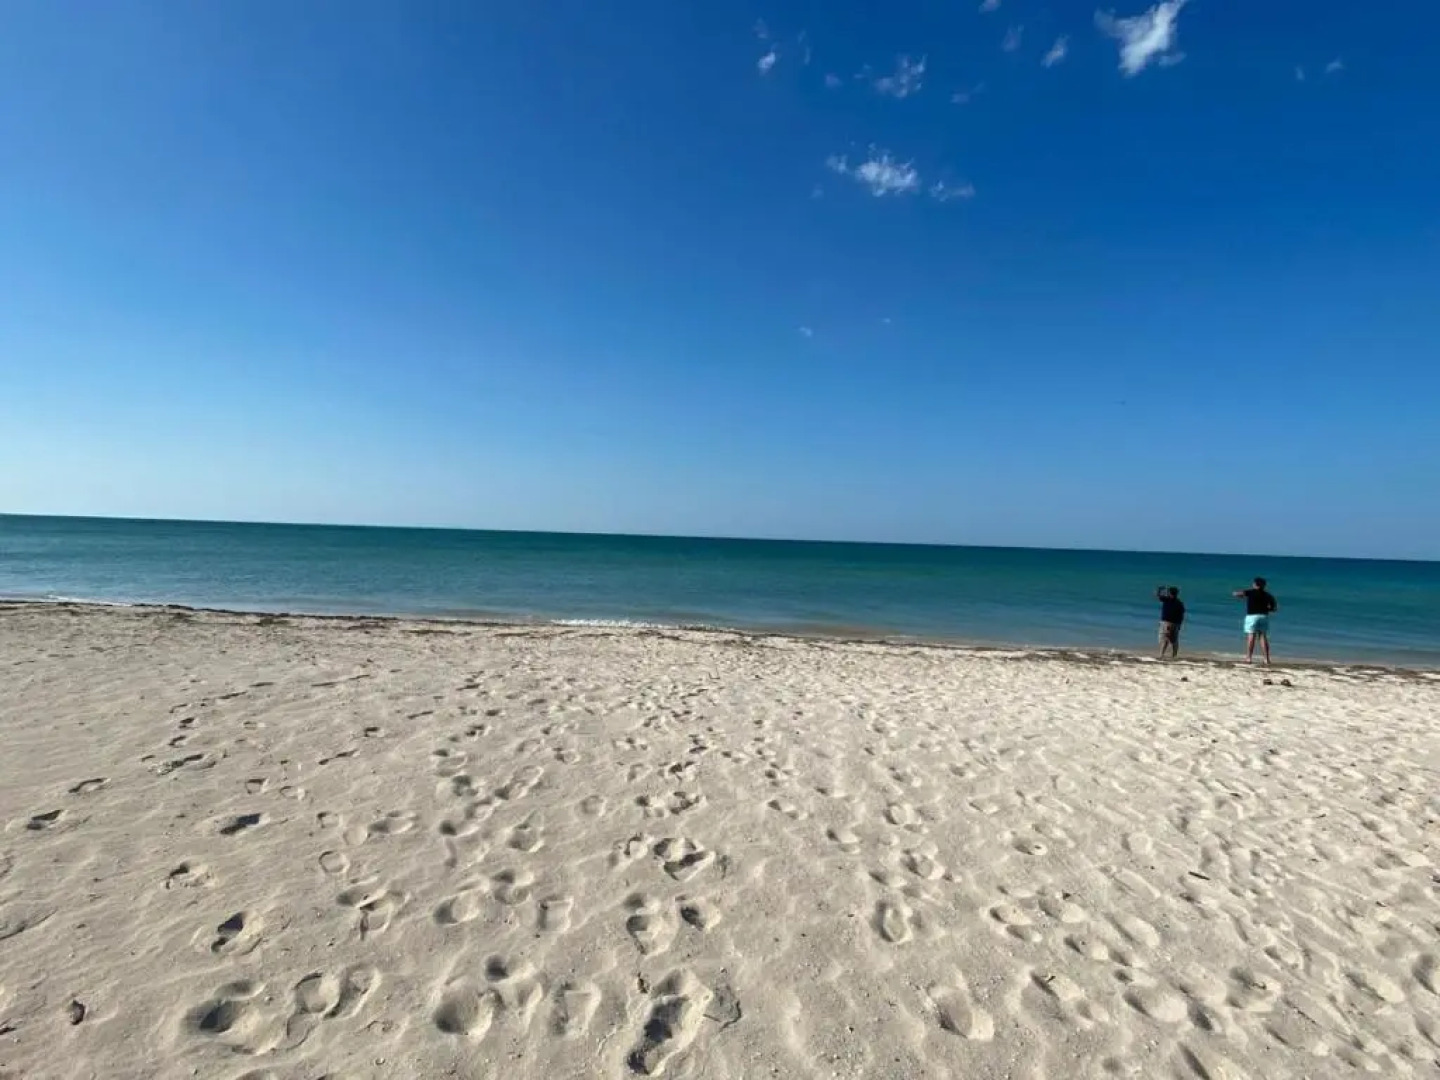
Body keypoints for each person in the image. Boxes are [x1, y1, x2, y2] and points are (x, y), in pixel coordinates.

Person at [1233, 577, 1278, 665]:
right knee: (1262, 637)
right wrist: (1268, 608)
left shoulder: (1251, 592)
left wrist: (1237, 594)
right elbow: (1274, 608)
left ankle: (1249, 658)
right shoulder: (1268, 595)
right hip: (1263, 616)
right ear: (1264, 586)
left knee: (1251, 636)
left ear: (1255, 584)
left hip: (1252, 616)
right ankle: (1266, 659)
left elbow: (1238, 594)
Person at [1155, 585, 1185, 659]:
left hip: (1166, 623)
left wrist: (1159, 589)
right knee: (1174, 641)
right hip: (1175, 624)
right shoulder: (1179, 603)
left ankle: (1161, 655)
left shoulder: (1167, 599)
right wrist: (1179, 625)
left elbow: (1157, 595)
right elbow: (1181, 615)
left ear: (1169, 593)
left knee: (1165, 640)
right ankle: (1174, 656)